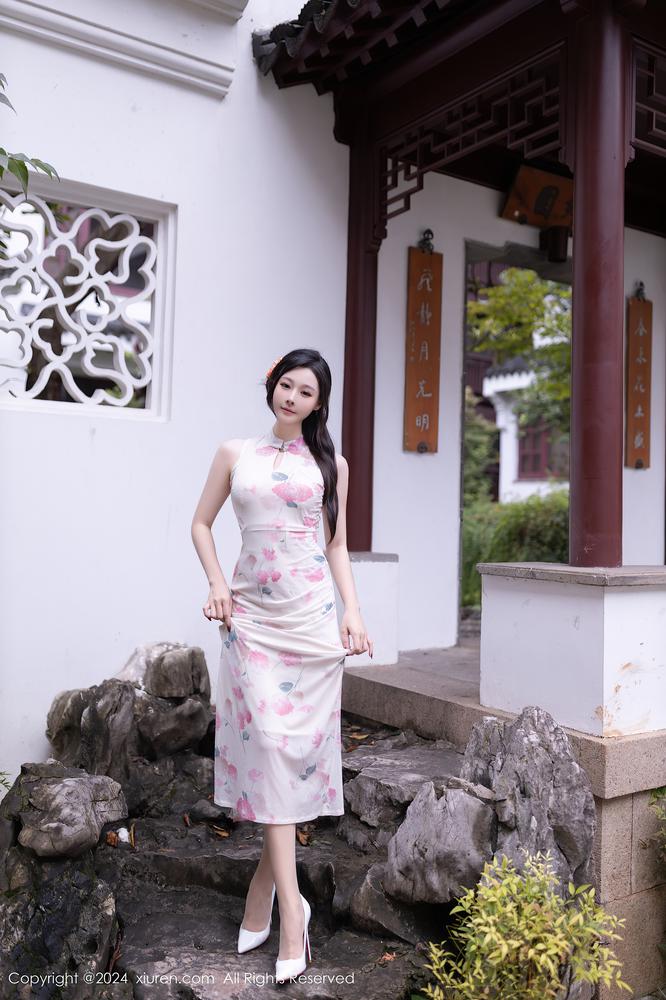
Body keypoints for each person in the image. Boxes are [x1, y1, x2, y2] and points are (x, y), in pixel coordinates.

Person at [190, 347, 373, 982]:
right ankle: (294, 912)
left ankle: (265, 888)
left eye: (306, 392)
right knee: (268, 743)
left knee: (294, 754)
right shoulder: (234, 453)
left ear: (319, 404)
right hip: (251, 620)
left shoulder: (330, 465)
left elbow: (337, 546)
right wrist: (217, 585)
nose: (292, 398)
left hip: (312, 619)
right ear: (272, 386)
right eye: (286, 385)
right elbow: (201, 524)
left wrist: (352, 612)